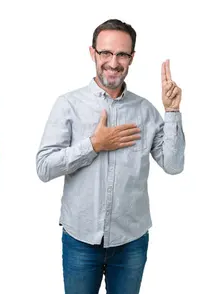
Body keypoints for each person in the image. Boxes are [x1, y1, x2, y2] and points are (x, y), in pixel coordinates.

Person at [36, 19, 185, 294]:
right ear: (93, 53)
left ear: (132, 58)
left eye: (121, 54)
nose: (113, 62)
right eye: (105, 53)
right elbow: (44, 167)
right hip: (80, 242)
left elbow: (174, 165)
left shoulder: (146, 111)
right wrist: (93, 145)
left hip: (131, 242)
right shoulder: (68, 105)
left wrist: (172, 111)